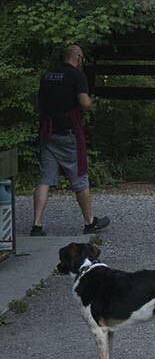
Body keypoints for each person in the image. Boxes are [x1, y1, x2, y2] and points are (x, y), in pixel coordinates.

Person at [31, 44, 109, 237]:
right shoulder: (76, 76)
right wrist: (90, 103)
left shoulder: (47, 76)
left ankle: (37, 224)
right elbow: (84, 102)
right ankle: (89, 222)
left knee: (45, 179)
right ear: (78, 58)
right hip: (68, 133)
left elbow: (39, 102)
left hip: (48, 133)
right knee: (80, 176)